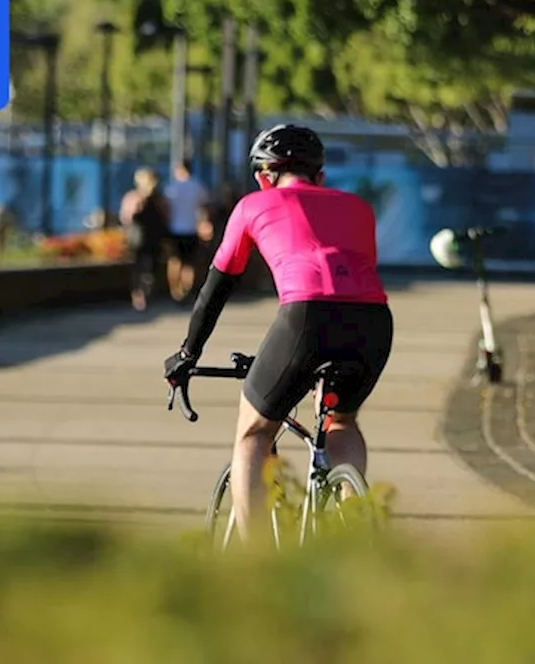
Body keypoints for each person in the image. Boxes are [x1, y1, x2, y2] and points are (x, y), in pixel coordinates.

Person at [162, 124, 393, 544]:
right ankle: (352, 520)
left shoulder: (253, 206)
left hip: (307, 318)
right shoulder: (359, 207)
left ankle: (258, 565)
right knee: (342, 420)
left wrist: (187, 354)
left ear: (263, 177)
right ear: (319, 176)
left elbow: (215, 289)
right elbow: (355, 279)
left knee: (253, 433)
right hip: (374, 322)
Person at [120, 167, 170, 311]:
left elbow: (125, 219)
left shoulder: (158, 199)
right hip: (141, 238)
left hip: (149, 238)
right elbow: (127, 218)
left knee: (148, 267)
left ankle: (144, 293)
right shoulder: (135, 198)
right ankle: (140, 294)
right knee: (141, 267)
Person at [163, 159, 210, 302]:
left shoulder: (172, 188)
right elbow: (204, 207)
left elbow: (166, 209)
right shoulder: (197, 187)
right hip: (191, 228)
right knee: (189, 263)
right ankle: (186, 289)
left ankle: (175, 291)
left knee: (175, 261)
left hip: (175, 228)